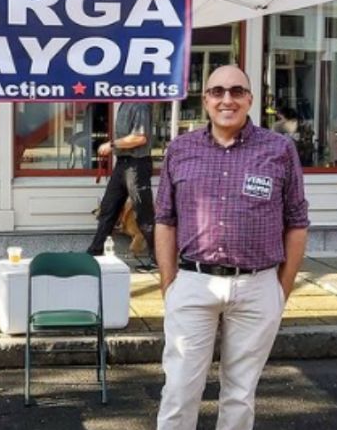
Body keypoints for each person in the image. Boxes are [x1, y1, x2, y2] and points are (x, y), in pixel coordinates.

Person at [154, 65, 309, 430]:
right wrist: (168, 284)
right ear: (205, 99)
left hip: (257, 285)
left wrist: (279, 290)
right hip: (193, 281)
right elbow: (164, 219)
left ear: (250, 99)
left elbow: (297, 223)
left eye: (237, 91)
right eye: (218, 91)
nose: (228, 99)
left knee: (240, 394)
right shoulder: (180, 149)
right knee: (178, 390)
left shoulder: (279, 149)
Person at [86, 101, 157, 269]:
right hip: (122, 163)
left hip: (137, 164)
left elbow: (140, 137)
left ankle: (157, 258)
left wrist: (112, 144)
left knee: (144, 214)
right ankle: (93, 253)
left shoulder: (140, 104)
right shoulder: (124, 104)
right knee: (108, 208)